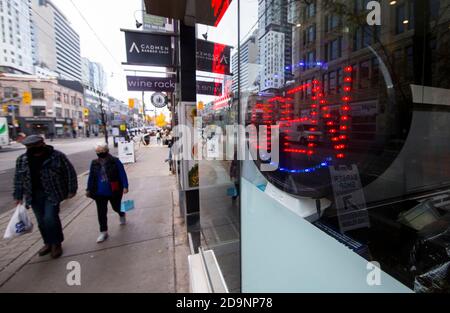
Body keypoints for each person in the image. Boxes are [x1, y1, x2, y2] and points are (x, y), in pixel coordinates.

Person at [13, 135, 78, 259]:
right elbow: (18, 179)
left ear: (42, 143)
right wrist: (18, 195)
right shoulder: (22, 160)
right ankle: (48, 243)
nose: (32, 148)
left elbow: (69, 172)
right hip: (33, 195)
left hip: (52, 193)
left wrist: (71, 190)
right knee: (41, 221)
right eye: (29, 146)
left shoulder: (57, 156)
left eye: (34, 145)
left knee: (50, 218)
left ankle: (56, 244)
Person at [86, 143, 129, 243]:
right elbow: (91, 176)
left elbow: (122, 173)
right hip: (99, 191)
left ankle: (122, 213)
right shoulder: (94, 163)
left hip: (114, 189)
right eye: (98, 152)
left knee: (116, 207)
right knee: (101, 212)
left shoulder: (115, 161)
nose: (100, 153)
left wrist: (125, 186)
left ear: (106, 151)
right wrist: (88, 189)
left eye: (102, 151)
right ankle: (103, 231)